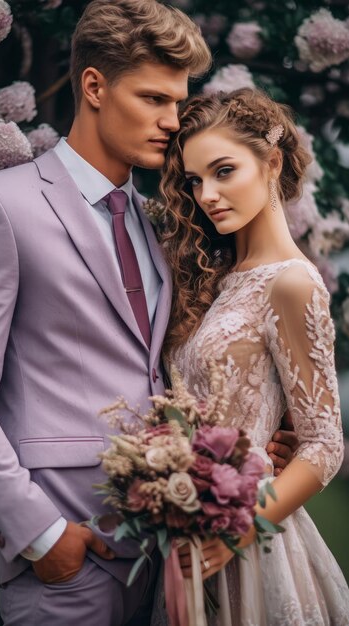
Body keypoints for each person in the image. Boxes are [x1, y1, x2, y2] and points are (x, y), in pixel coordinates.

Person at [0, 2, 295, 625]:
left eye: (177, 102)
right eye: (153, 99)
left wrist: (247, 452)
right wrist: (40, 533)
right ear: (94, 86)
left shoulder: (157, 225)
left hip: (168, 558)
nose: (171, 121)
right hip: (68, 557)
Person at [151, 88, 349, 625]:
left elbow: (325, 445)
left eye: (223, 171)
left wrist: (238, 528)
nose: (208, 194)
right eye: (195, 181)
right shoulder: (216, 280)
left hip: (249, 539)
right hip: (186, 529)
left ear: (272, 161)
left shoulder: (292, 283)